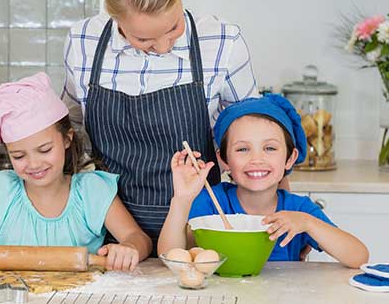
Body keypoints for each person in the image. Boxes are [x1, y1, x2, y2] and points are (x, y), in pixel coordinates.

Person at [62, 0, 258, 246]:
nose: (164, 47)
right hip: (106, 230)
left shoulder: (221, 41)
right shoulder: (83, 40)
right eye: (144, 39)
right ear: (115, 19)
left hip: (198, 228)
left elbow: (257, 139)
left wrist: (278, 214)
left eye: (173, 28)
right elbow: (71, 132)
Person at [0, 73, 152, 271]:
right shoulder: (0, 190)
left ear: (67, 139)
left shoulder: (92, 191)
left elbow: (138, 238)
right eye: (19, 156)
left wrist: (128, 249)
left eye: (44, 149)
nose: (33, 164)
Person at [157, 94, 369, 268]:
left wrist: (308, 224)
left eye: (269, 148)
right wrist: (182, 199)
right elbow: (170, 256)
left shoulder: (299, 210)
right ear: (224, 159)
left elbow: (359, 257)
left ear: (290, 158)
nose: (256, 159)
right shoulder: (211, 201)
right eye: (242, 149)